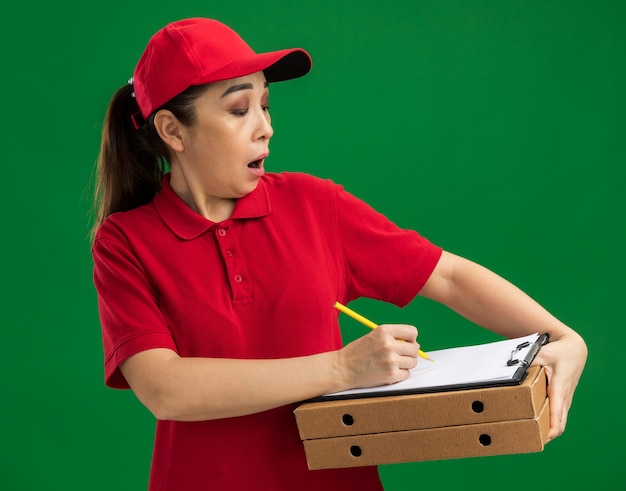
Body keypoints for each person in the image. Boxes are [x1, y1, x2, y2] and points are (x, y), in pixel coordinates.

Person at [91, 17, 587, 491]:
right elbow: (165, 388)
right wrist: (343, 368)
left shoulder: (314, 205)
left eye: (267, 106)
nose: (265, 127)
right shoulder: (124, 243)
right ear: (173, 131)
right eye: (240, 110)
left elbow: (449, 276)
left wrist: (563, 337)